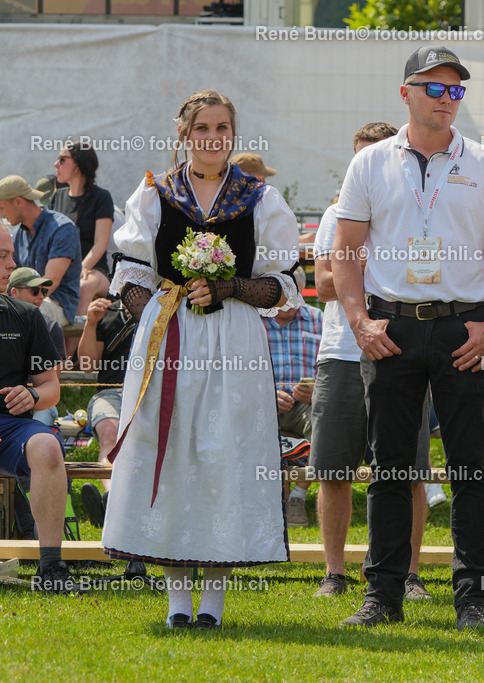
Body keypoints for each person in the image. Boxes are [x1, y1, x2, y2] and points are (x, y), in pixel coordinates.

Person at [333, 46, 484, 631]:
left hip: (461, 327)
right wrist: (360, 322)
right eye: (434, 88)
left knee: (469, 468)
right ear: (406, 94)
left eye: (456, 90)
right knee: (390, 468)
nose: (447, 100)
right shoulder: (369, 164)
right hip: (390, 327)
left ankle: (473, 600)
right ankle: (383, 596)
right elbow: (346, 252)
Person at [101, 89, 299, 630]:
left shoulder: (259, 198)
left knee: (223, 455)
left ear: (234, 135)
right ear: (185, 134)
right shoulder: (154, 193)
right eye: (204, 128)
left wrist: (228, 285)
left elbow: (282, 283)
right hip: (169, 336)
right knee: (171, 452)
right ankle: (176, 602)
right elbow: (133, 271)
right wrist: (159, 318)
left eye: (224, 129)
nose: (214, 138)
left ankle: (212, 601)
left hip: (234, 340)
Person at [312, 121, 439, 601]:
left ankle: (408, 574)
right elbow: (324, 284)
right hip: (342, 352)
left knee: (408, 472)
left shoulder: (417, 211)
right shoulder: (336, 212)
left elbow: (425, 277)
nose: (364, 166)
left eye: (374, 156)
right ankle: (335, 573)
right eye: (357, 156)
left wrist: (360, 267)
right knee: (332, 469)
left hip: (403, 349)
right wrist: (378, 268)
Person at [0, 223, 72, 592]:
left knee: (47, 444)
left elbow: (51, 389)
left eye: (11, 254)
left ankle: (51, 567)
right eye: (2, 256)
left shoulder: (26, 316)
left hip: (10, 427)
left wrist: (31, 395)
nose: (12, 263)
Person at [262, 267, 320, 527]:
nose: (290, 301)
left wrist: (317, 390)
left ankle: (297, 496)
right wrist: (265, 394)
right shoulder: (253, 321)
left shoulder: (318, 319)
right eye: (283, 294)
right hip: (260, 404)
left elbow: (333, 370)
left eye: (294, 294)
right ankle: (272, 497)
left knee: (326, 421)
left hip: (306, 406)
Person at [76, 294, 136, 524]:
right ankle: (112, 496)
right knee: (109, 434)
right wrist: (91, 323)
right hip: (110, 393)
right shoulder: (108, 312)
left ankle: (114, 507)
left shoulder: (163, 308)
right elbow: (88, 366)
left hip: (152, 393)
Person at [0, 175, 81, 327]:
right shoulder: (17, 233)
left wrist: (16, 303)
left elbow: (50, 283)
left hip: (56, 303)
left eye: (2, 208)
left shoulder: (62, 228)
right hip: (22, 299)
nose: (1, 214)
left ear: (18, 201)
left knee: (21, 316)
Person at [49, 140, 115, 318]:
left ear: (78, 164)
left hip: (93, 270)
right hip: (60, 268)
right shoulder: (57, 197)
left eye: (62, 159)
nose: (56, 164)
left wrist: (80, 268)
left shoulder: (102, 197)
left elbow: (101, 243)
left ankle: (75, 346)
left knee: (83, 286)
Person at [6, 266, 65, 425]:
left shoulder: (51, 327)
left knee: (41, 435)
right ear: (13, 292)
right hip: (7, 407)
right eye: (34, 291)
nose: (41, 296)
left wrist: (31, 395)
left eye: (44, 291)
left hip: (38, 404)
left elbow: (52, 384)